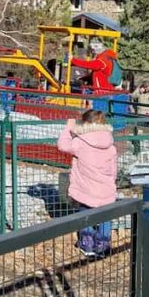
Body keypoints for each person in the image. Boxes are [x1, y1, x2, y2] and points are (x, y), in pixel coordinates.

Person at [56, 109, 118, 257]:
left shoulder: (80, 142)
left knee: (86, 214)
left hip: (86, 188)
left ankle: (88, 243)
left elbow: (62, 145)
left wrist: (68, 129)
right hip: (105, 188)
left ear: (85, 123)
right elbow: (114, 170)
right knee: (105, 217)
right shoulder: (110, 144)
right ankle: (103, 245)